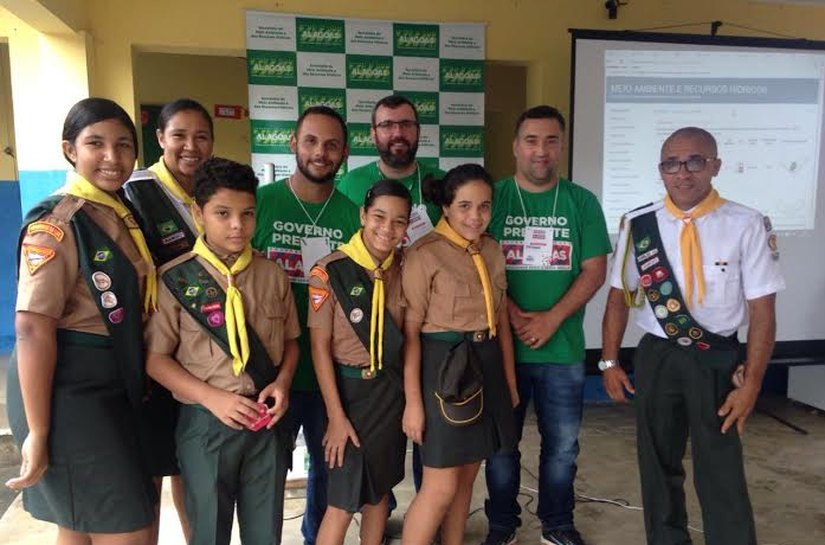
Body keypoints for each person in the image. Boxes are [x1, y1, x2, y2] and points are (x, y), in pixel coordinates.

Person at [600, 127, 784, 545]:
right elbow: (618, 299)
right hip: (658, 356)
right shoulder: (639, 224)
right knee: (658, 462)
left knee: (720, 467)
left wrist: (753, 382)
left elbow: (763, 312)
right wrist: (609, 361)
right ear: (660, 171)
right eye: (672, 164)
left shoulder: (747, 224)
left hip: (716, 358)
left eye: (695, 162)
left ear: (714, 166)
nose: (683, 173)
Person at [5, 97, 157, 544]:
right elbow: (32, 328)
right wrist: (39, 431)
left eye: (124, 145)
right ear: (70, 149)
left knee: (80, 524)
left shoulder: (117, 211)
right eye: (96, 143)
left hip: (114, 384)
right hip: (69, 390)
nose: (112, 157)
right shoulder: (58, 222)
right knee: (126, 528)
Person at [145, 157, 300, 545]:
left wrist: (281, 383)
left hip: (265, 421)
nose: (237, 225)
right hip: (205, 423)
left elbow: (292, 342)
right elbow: (155, 359)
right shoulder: (176, 279)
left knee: (266, 531)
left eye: (247, 214)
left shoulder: (272, 275)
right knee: (209, 530)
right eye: (223, 213)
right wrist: (212, 399)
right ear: (198, 213)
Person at [483, 106, 612, 545]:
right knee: (501, 446)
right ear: (516, 146)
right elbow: (474, 260)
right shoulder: (494, 197)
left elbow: (594, 269)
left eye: (551, 140)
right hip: (503, 348)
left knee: (562, 449)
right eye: (532, 140)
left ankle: (557, 523)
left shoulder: (581, 201)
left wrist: (553, 318)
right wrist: (516, 315)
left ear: (561, 146)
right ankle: (502, 524)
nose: (542, 150)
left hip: (562, 350)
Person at [252, 105, 360, 545]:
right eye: (311, 141)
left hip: (332, 376)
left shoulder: (354, 218)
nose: (321, 152)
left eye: (332, 144)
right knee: (266, 474)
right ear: (293, 143)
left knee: (329, 471)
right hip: (271, 372)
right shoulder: (260, 204)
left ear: (345, 153)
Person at [401, 164, 519, 545]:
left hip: (485, 363)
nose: (475, 216)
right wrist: (413, 404)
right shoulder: (425, 254)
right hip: (443, 369)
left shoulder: (492, 248)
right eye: (465, 206)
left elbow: (499, 316)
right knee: (439, 486)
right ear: (446, 208)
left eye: (484, 207)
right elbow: (410, 334)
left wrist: (510, 383)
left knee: (469, 473)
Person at [124, 97, 214, 543]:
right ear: (160, 139)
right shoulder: (136, 191)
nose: (190, 146)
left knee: (189, 467)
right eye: (179, 135)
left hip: (204, 352)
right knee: (153, 470)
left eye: (201, 137)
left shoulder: (212, 193)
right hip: (155, 352)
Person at [308, 179, 412, 545]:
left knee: (379, 493)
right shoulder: (329, 270)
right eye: (379, 217)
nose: (387, 229)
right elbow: (319, 348)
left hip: (391, 391)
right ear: (363, 215)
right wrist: (336, 417)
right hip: (349, 395)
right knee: (341, 502)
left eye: (399, 221)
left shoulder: (407, 267)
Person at [337, 94, 444, 248]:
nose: (398, 133)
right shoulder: (350, 184)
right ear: (373, 135)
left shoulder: (445, 182)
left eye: (406, 124)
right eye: (387, 125)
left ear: (418, 131)